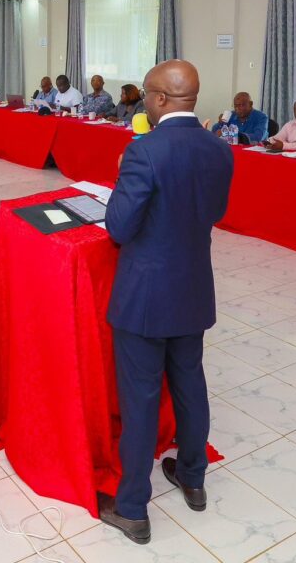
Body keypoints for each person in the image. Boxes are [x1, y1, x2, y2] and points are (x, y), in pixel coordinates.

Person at [100, 60, 233, 544]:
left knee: (141, 400)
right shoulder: (221, 149)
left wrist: (121, 176)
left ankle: (133, 506)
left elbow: (119, 227)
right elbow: (214, 212)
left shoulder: (143, 152)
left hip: (145, 297)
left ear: (158, 100)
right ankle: (192, 478)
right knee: (190, 384)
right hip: (193, 288)